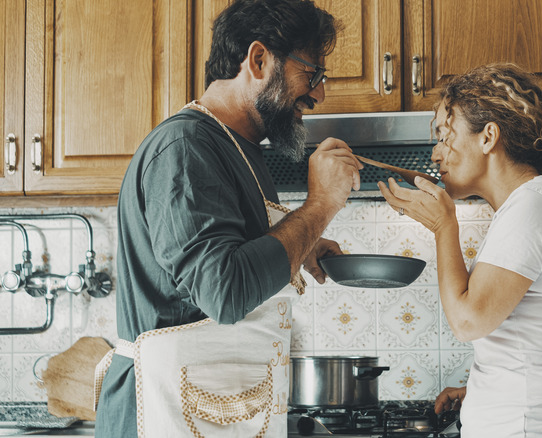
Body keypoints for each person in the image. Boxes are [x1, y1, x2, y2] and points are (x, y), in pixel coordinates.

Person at [94, 1, 361, 436]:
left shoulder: (238, 148)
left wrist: (301, 245)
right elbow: (225, 290)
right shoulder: (185, 147)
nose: (319, 93)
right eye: (312, 74)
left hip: (208, 411)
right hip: (162, 414)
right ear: (258, 60)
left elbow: (224, 262)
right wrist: (320, 206)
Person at [378, 63, 542, 437]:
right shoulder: (539, 202)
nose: (436, 155)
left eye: (445, 137)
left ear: (488, 138)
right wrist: (489, 388)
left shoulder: (532, 205)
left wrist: (443, 225)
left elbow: (468, 322)